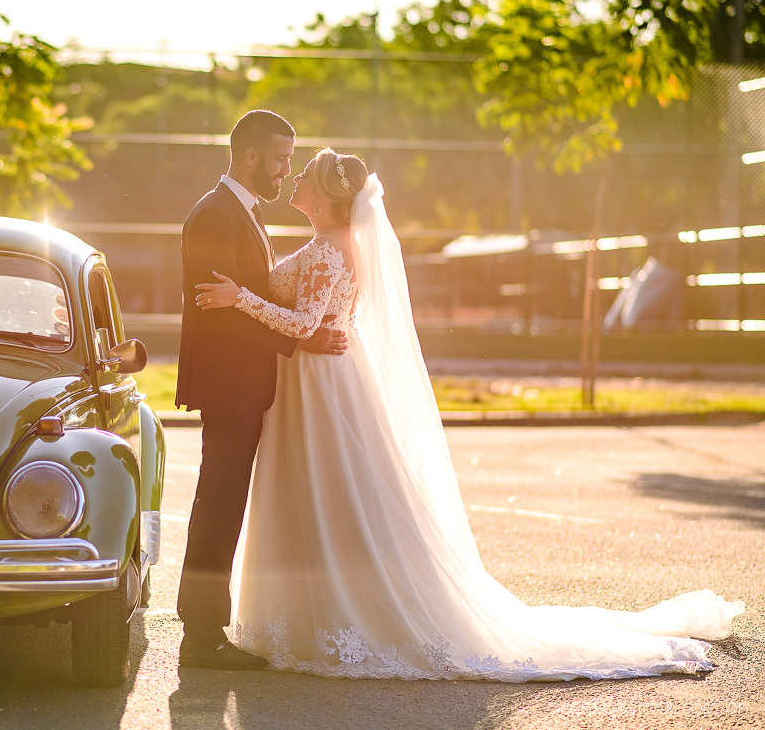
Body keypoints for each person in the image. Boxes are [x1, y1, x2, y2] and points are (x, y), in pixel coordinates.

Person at [195, 148, 744, 681]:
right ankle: (322, 608)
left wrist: (237, 296)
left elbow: (303, 324)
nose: (296, 179)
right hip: (322, 379)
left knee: (328, 490)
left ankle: (329, 613)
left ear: (327, 198)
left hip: (320, 383)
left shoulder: (325, 251)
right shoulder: (337, 245)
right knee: (332, 494)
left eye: (306, 174)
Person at [175, 111, 348, 670]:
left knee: (224, 503)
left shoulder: (241, 214)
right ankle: (202, 636)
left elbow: (241, 300)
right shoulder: (214, 215)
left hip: (245, 384)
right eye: (279, 159)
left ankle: (203, 631)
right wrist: (299, 342)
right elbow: (215, 312)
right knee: (219, 502)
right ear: (250, 156)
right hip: (228, 384)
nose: (285, 171)